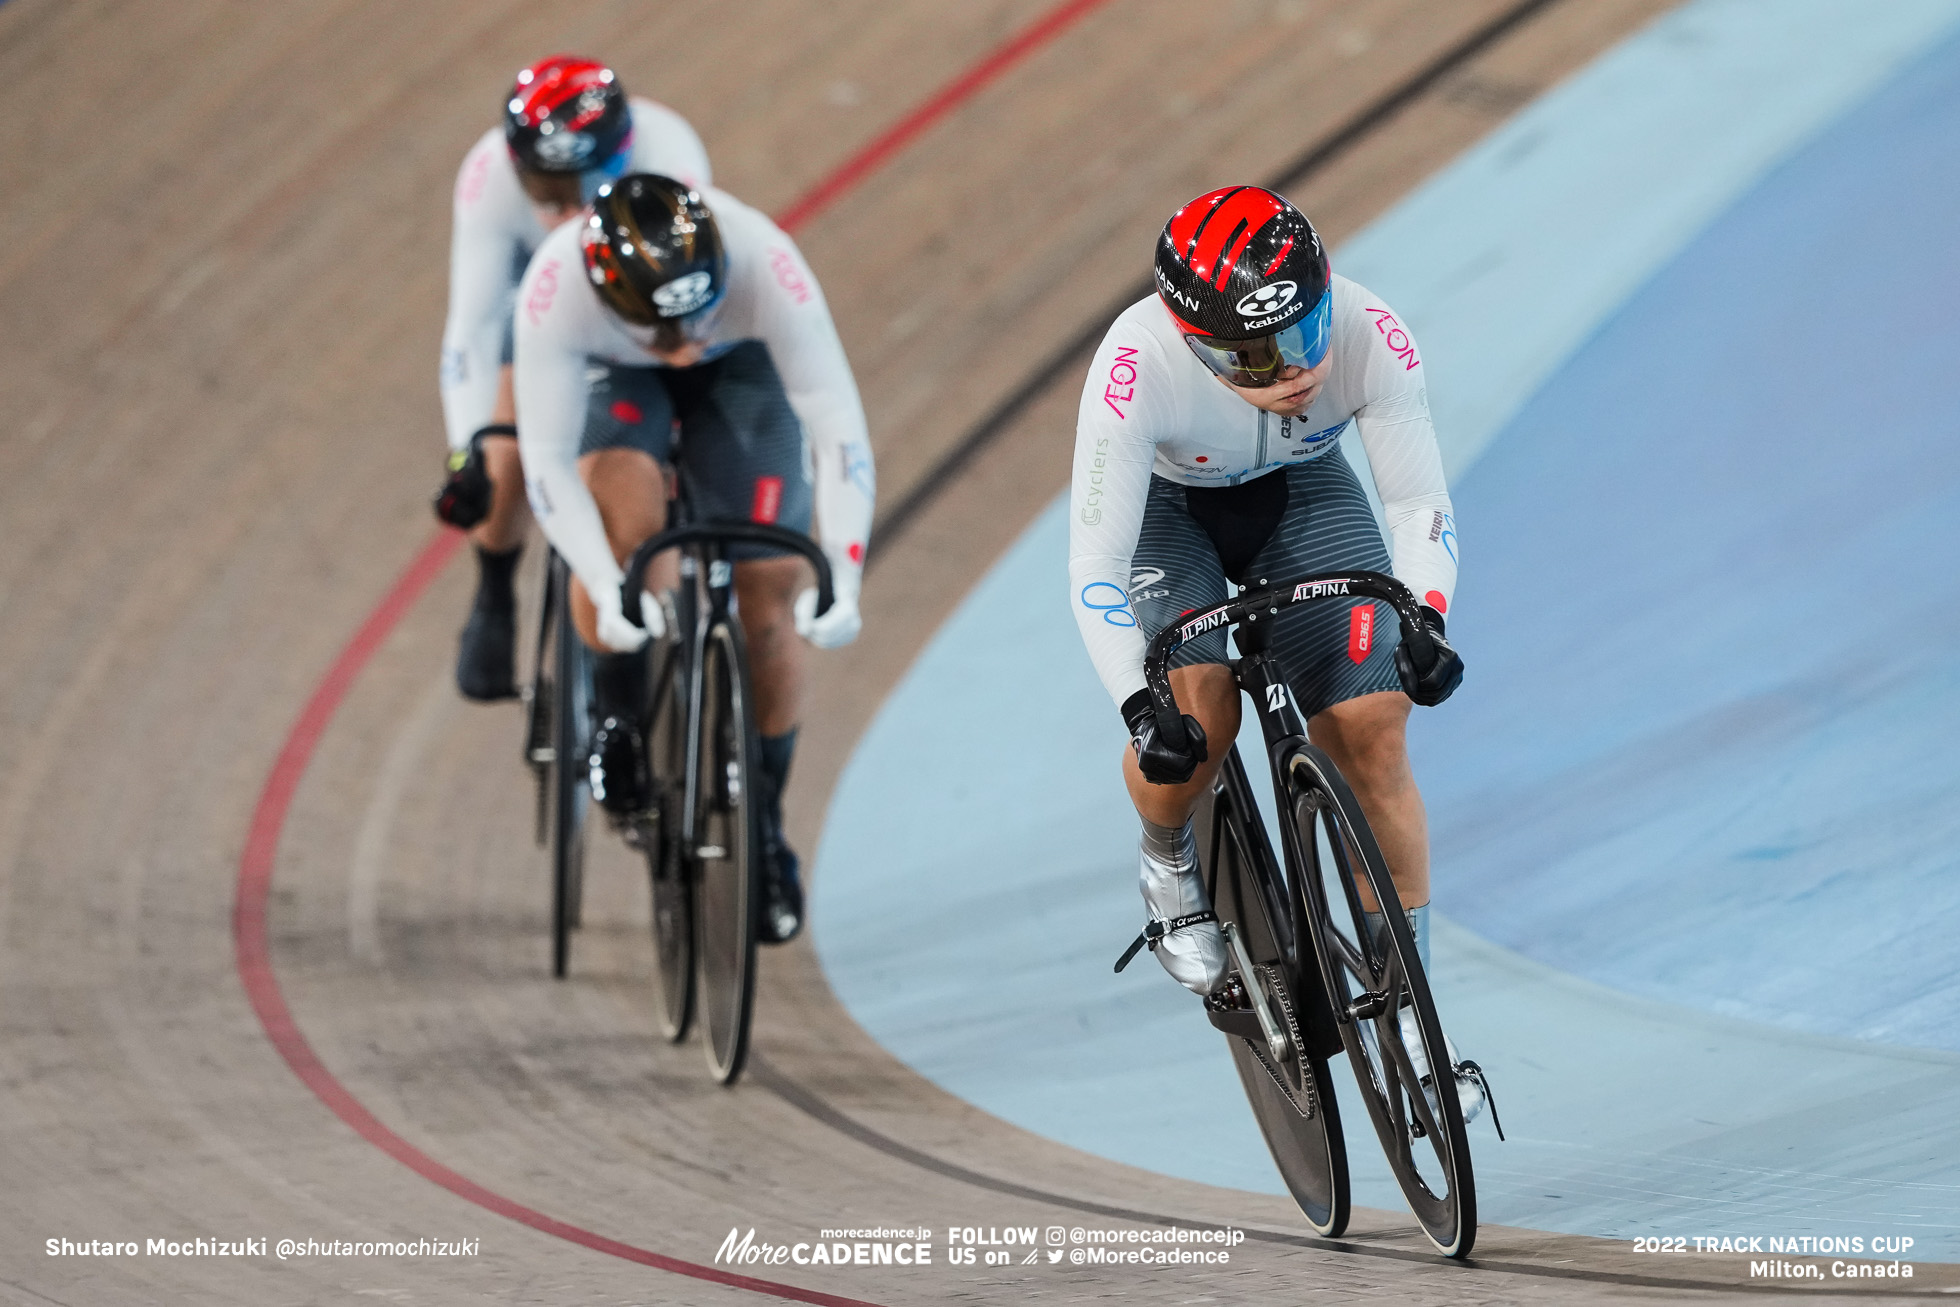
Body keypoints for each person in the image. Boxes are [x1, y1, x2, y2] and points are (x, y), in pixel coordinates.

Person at [1067, 185, 1480, 1117]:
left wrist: (1427, 617)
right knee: (1198, 712)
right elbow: (1094, 563)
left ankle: (1412, 1011)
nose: (1290, 371)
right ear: (1190, 339)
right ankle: (1167, 857)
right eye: (1249, 358)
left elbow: (1418, 505)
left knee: (1376, 723)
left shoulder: (1373, 332)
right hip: (1172, 522)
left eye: (1301, 336)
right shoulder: (1134, 368)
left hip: (1302, 491)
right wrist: (1144, 709)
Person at [513, 173, 873, 944]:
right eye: (661, 331)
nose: (681, 349)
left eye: (694, 318)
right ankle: (616, 716)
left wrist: (843, 566)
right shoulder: (555, 288)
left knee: (771, 579)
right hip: (617, 379)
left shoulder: (764, 262)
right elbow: (543, 461)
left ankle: (765, 826)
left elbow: (836, 424)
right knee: (626, 529)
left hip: (738, 369)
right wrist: (608, 586)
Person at [434, 54, 713, 701]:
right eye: (546, 190)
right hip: (544, 312)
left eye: (587, 184)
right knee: (503, 456)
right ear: (516, 167)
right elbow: (473, 327)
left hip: (641, 307)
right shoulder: (488, 179)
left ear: (626, 154)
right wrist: (465, 448)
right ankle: (495, 589)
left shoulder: (668, 152)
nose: (566, 207)